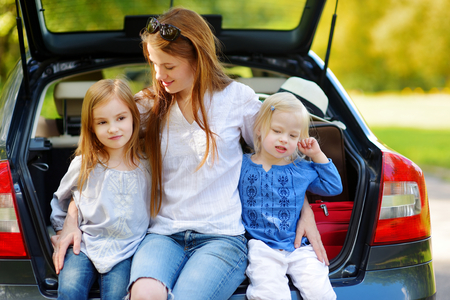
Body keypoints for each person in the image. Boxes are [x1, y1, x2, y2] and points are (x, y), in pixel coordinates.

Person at [52, 7, 330, 300]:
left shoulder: (237, 99)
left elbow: (276, 157)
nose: (159, 75)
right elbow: (97, 163)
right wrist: (72, 217)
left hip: (222, 238)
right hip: (162, 235)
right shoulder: (147, 106)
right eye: (154, 64)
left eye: (169, 67)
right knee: (144, 295)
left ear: (197, 58)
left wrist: (304, 208)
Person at [50, 79, 150, 300]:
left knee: (116, 296)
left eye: (121, 118)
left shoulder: (147, 165)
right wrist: (62, 232)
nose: (113, 128)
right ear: (91, 127)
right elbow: (61, 200)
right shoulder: (85, 164)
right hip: (84, 245)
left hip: (126, 250)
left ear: (134, 117)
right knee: (69, 291)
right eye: (102, 122)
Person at [239, 92, 342, 300]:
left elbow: (333, 187)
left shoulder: (301, 169)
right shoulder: (241, 165)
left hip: (298, 246)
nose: (284, 139)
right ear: (259, 130)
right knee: (269, 294)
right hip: (261, 246)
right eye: (277, 131)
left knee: (320, 292)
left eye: (293, 135)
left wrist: (317, 155)